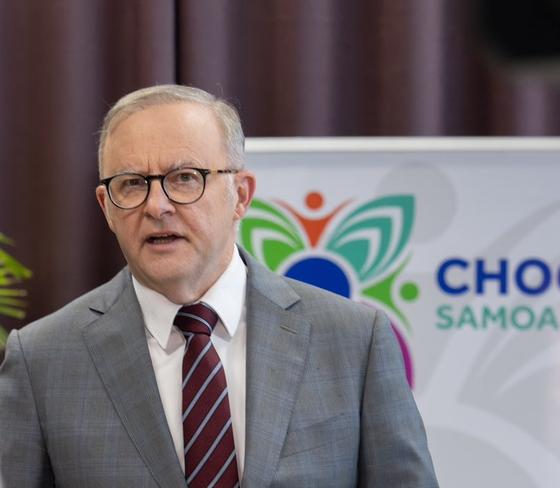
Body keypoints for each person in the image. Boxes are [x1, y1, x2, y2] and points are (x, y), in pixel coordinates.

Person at [0, 85, 438, 487]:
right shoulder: (43, 359)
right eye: (131, 184)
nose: (157, 206)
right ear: (106, 207)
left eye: (185, 177)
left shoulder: (353, 340)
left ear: (241, 195)